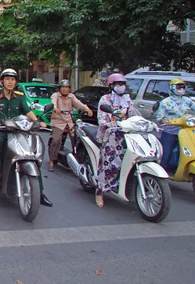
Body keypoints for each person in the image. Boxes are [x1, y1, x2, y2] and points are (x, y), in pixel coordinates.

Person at [0, 69, 53, 207]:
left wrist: (38, 122)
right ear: (2, 81)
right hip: (1, 130)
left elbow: (28, 112)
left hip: (18, 130)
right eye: (7, 79)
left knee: (31, 152)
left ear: (16, 82)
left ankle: (40, 192)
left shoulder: (20, 96)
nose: (10, 82)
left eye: (13, 79)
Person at [95, 73, 138, 208]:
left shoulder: (127, 99)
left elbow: (132, 115)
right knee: (107, 164)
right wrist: (111, 124)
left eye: (123, 84)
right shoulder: (105, 99)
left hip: (127, 135)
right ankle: (99, 191)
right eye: (118, 84)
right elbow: (102, 119)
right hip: (111, 136)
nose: (121, 87)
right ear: (112, 86)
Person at [154, 78, 195, 171]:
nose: (181, 89)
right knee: (166, 154)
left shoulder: (187, 100)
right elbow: (159, 117)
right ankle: (161, 172)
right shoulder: (165, 102)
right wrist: (165, 121)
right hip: (170, 132)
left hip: (185, 132)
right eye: (178, 87)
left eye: (183, 87)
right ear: (172, 88)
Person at [47, 79, 92, 172]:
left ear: (69, 89)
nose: (64, 89)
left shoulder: (71, 97)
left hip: (69, 121)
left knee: (77, 139)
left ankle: (77, 160)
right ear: (60, 88)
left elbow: (79, 105)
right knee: (56, 140)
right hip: (57, 122)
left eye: (66, 87)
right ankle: (51, 160)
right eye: (63, 87)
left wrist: (87, 109)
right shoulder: (55, 95)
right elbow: (53, 103)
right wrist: (55, 109)